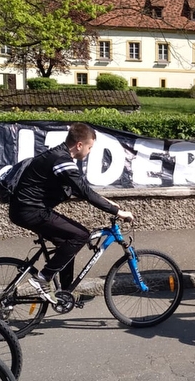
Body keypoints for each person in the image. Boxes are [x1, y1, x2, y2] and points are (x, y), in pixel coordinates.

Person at [9, 123, 134, 304]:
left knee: (67, 243)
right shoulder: (62, 160)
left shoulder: (59, 156)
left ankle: (65, 292)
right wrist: (117, 211)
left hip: (27, 209)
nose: (90, 151)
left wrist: (109, 203)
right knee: (81, 235)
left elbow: (78, 188)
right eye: (90, 147)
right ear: (79, 145)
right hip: (31, 211)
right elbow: (83, 190)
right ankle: (43, 278)